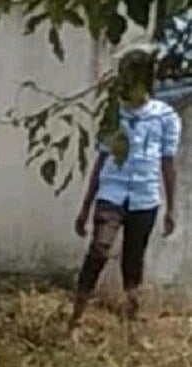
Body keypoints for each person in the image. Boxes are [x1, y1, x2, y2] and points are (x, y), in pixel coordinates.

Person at [71, 50, 181, 332]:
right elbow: (101, 161)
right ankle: (76, 318)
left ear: (144, 80)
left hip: (145, 198)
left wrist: (171, 208)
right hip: (112, 193)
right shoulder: (114, 114)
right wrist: (85, 208)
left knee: (133, 261)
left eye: (131, 76)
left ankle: (131, 324)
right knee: (99, 249)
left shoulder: (164, 116)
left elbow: (168, 163)